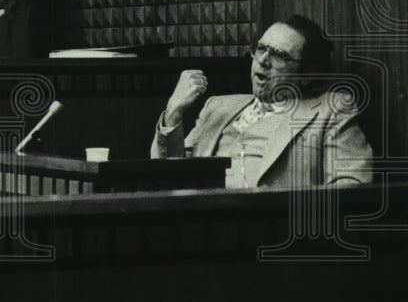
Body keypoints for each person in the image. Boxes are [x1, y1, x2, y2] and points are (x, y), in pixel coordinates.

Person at [152, 14, 372, 188]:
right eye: (261, 48)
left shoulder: (330, 110)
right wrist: (173, 112)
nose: (263, 61)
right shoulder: (217, 106)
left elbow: (352, 187)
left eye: (280, 55)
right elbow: (171, 176)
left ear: (306, 75)